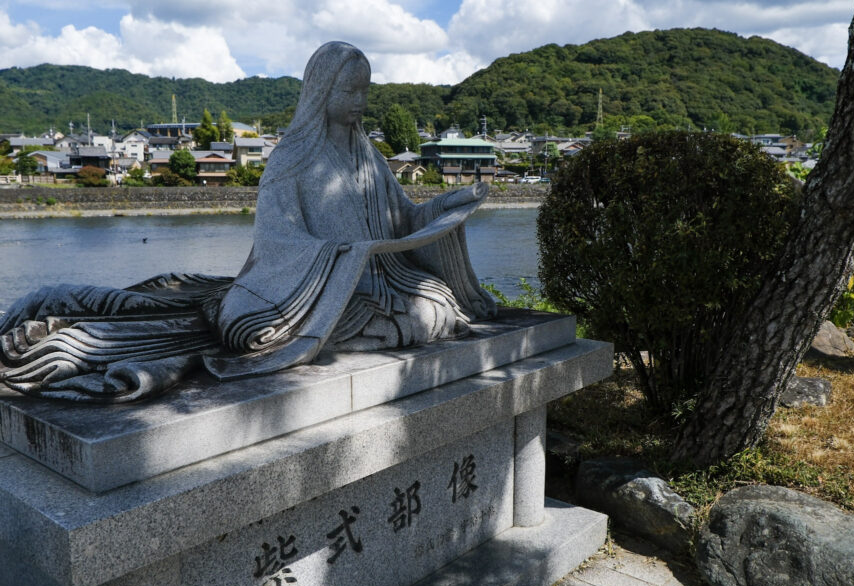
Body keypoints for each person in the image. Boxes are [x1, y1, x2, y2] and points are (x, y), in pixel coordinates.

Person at [0, 42, 494, 402]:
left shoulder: (370, 157)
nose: (361, 101)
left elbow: (403, 217)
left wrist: (448, 205)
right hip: (304, 294)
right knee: (257, 332)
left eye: (366, 90)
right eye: (351, 90)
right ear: (323, 91)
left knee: (435, 306)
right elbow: (277, 241)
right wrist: (341, 256)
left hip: (376, 289)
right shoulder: (290, 161)